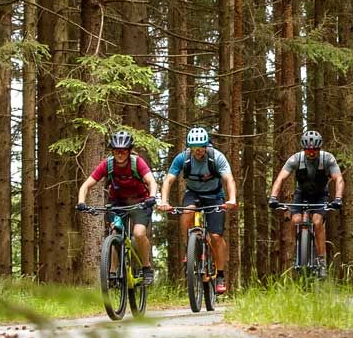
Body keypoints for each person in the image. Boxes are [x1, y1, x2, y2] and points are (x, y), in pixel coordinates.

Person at [160, 125, 238, 296]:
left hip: (214, 195)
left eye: (201, 147)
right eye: (194, 148)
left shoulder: (216, 157)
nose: (198, 152)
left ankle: (220, 275)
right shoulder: (183, 158)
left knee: (216, 237)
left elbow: (229, 179)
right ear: (190, 147)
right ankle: (190, 248)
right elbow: (168, 180)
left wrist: (232, 199)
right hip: (193, 194)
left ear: (206, 146)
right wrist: (164, 201)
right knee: (186, 213)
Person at [76, 130, 158, 283]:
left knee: (139, 233)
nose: (120, 154)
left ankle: (146, 267)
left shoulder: (137, 162)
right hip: (118, 203)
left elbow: (152, 182)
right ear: (112, 151)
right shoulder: (107, 164)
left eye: (123, 151)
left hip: (140, 202)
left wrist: (152, 197)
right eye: (116, 151)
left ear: (129, 151)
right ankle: (113, 272)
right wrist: (81, 202)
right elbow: (86, 185)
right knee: (115, 232)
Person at [268, 129, 343, 275]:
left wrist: (338, 198)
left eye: (314, 149)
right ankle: (299, 250)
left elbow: (338, 179)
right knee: (295, 220)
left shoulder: (328, 159)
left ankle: (321, 261)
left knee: (316, 221)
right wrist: (273, 197)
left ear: (319, 148)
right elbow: (280, 178)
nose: (311, 152)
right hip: (301, 194)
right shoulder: (295, 159)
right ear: (304, 149)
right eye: (308, 150)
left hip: (320, 195)